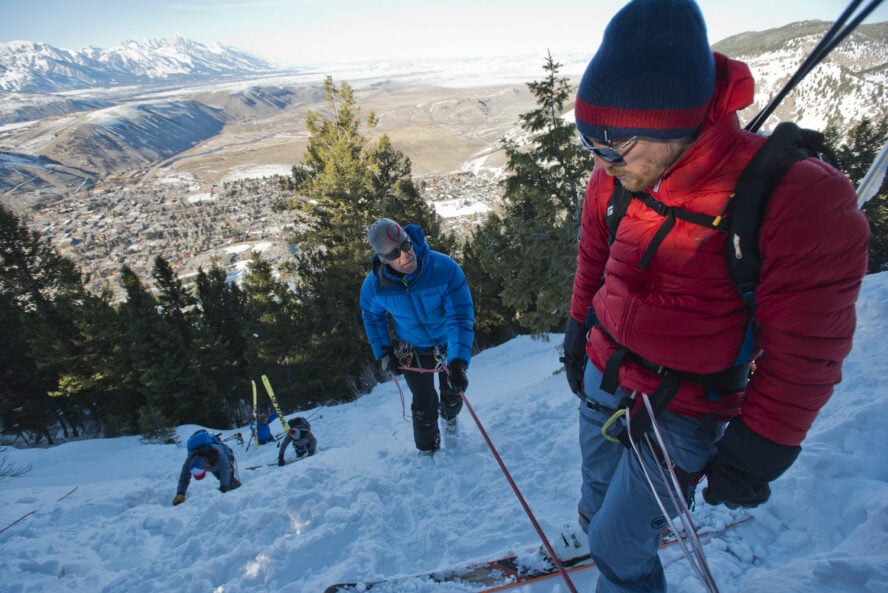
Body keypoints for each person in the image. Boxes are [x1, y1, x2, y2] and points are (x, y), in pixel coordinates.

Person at [561, 1, 870, 591]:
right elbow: (594, 261)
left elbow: (807, 349)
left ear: (673, 126)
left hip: (688, 401)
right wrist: (580, 327)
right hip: (608, 368)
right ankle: (597, 528)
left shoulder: (794, 197)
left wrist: (761, 445)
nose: (599, 161)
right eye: (588, 141)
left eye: (613, 146)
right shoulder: (613, 174)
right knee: (596, 494)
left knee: (619, 548)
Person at [360, 218, 475, 454]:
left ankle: (450, 418)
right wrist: (383, 352)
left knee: (453, 390)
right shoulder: (375, 286)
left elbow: (460, 317)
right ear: (382, 259)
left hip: (447, 341)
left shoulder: (443, 269)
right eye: (394, 253)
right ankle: (427, 449)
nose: (405, 255)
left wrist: (458, 360)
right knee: (423, 402)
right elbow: (372, 317)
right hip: (411, 345)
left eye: (406, 244)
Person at [172, 440, 241, 505]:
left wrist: (224, 486)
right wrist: (180, 493)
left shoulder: (219, 454)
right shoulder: (190, 460)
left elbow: (225, 468)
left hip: (227, 457)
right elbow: (184, 476)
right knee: (221, 478)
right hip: (213, 464)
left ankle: (240, 492)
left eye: (205, 469)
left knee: (229, 480)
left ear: (206, 464)